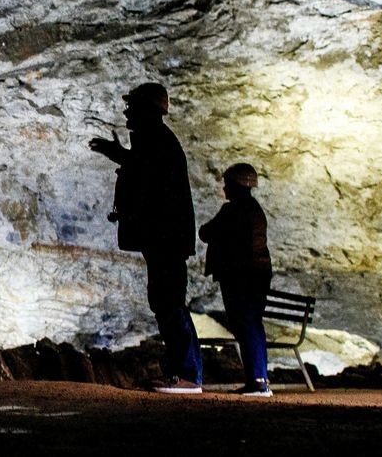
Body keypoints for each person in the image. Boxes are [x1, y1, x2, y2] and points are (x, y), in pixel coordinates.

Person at [89, 82, 203, 394]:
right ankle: (187, 373)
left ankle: (187, 375)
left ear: (147, 110)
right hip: (165, 237)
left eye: (133, 106)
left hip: (165, 237)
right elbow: (144, 171)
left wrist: (120, 156)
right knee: (168, 302)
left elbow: (147, 178)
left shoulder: (156, 140)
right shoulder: (155, 141)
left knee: (169, 302)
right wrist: (121, 156)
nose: (127, 112)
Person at [199, 163, 274, 397]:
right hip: (258, 275)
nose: (224, 188)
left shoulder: (233, 210)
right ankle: (260, 378)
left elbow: (206, 232)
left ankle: (257, 382)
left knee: (245, 324)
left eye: (227, 184)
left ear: (235, 185)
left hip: (239, 275)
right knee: (253, 324)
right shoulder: (255, 210)